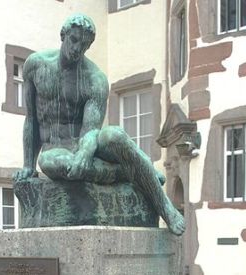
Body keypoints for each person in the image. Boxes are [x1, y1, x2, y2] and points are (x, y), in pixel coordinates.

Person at [14, 13, 185, 235]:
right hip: (56, 149)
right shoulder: (35, 66)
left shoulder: (95, 79)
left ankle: (165, 207)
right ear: (63, 36)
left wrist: (84, 154)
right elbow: (31, 119)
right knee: (50, 161)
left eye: (84, 45)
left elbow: (91, 129)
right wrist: (28, 165)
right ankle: (133, 171)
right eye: (74, 40)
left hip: (88, 143)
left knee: (114, 135)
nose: (77, 49)